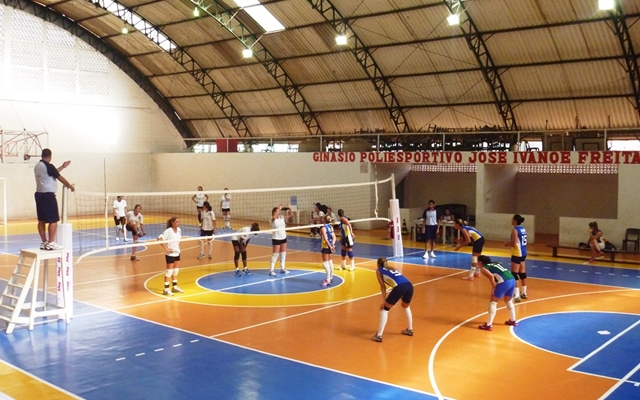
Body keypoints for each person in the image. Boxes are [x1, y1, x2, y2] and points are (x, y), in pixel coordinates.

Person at [34, 148, 75, 251]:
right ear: (50, 156)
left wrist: (63, 166)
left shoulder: (38, 166)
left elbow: (51, 173)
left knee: (41, 220)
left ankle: (44, 242)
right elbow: (59, 177)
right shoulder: (48, 166)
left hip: (39, 195)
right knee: (53, 220)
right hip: (48, 196)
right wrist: (69, 186)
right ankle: (51, 242)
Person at [372, 257, 414, 342]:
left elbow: (383, 286)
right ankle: (410, 329)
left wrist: (384, 300)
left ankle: (379, 335)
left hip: (400, 287)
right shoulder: (392, 268)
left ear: (378, 264)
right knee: (405, 306)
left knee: (384, 309)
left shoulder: (379, 270)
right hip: (409, 285)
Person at [476, 255, 517, 331]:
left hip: (504, 282)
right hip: (512, 279)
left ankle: (488, 325)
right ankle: (513, 320)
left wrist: (494, 287)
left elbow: (491, 276)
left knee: (493, 302)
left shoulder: (483, 268)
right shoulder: (496, 263)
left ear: (480, 262)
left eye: (477, 262)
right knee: (508, 300)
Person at [504, 214, 528, 302]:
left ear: (514, 221)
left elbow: (514, 244)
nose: (511, 220)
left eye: (512, 219)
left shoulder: (515, 230)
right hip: (523, 252)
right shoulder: (523, 229)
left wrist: (507, 243)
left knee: (514, 274)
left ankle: (516, 295)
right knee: (522, 273)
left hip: (517, 253)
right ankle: (524, 293)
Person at [158, 217, 183, 296]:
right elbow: (159, 239)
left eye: (178, 221)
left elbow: (178, 240)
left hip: (177, 252)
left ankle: (174, 287)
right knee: (169, 272)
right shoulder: (168, 231)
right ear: (172, 223)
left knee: (176, 271)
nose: (178, 223)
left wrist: (179, 246)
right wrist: (166, 248)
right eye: (176, 222)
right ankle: (166, 289)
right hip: (170, 254)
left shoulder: (179, 230)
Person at [269, 204, 293, 276]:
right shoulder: (272, 219)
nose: (279, 212)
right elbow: (274, 217)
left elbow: (290, 215)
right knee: (275, 254)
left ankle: (283, 268)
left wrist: (290, 208)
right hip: (276, 238)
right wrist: (279, 208)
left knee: (283, 253)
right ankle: (271, 270)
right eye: (277, 211)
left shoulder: (281, 217)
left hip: (283, 237)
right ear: (274, 212)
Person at [320, 214, 336, 287]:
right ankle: (331, 277)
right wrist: (332, 245)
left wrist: (330, 246)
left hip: (326, 247)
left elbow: (326, 239)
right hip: (330, 246)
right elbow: (334, 237)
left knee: (325, 264)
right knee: (330, 262)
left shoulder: (323, 228)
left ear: (324, 220)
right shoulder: (331, 227)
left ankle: (328, 280)